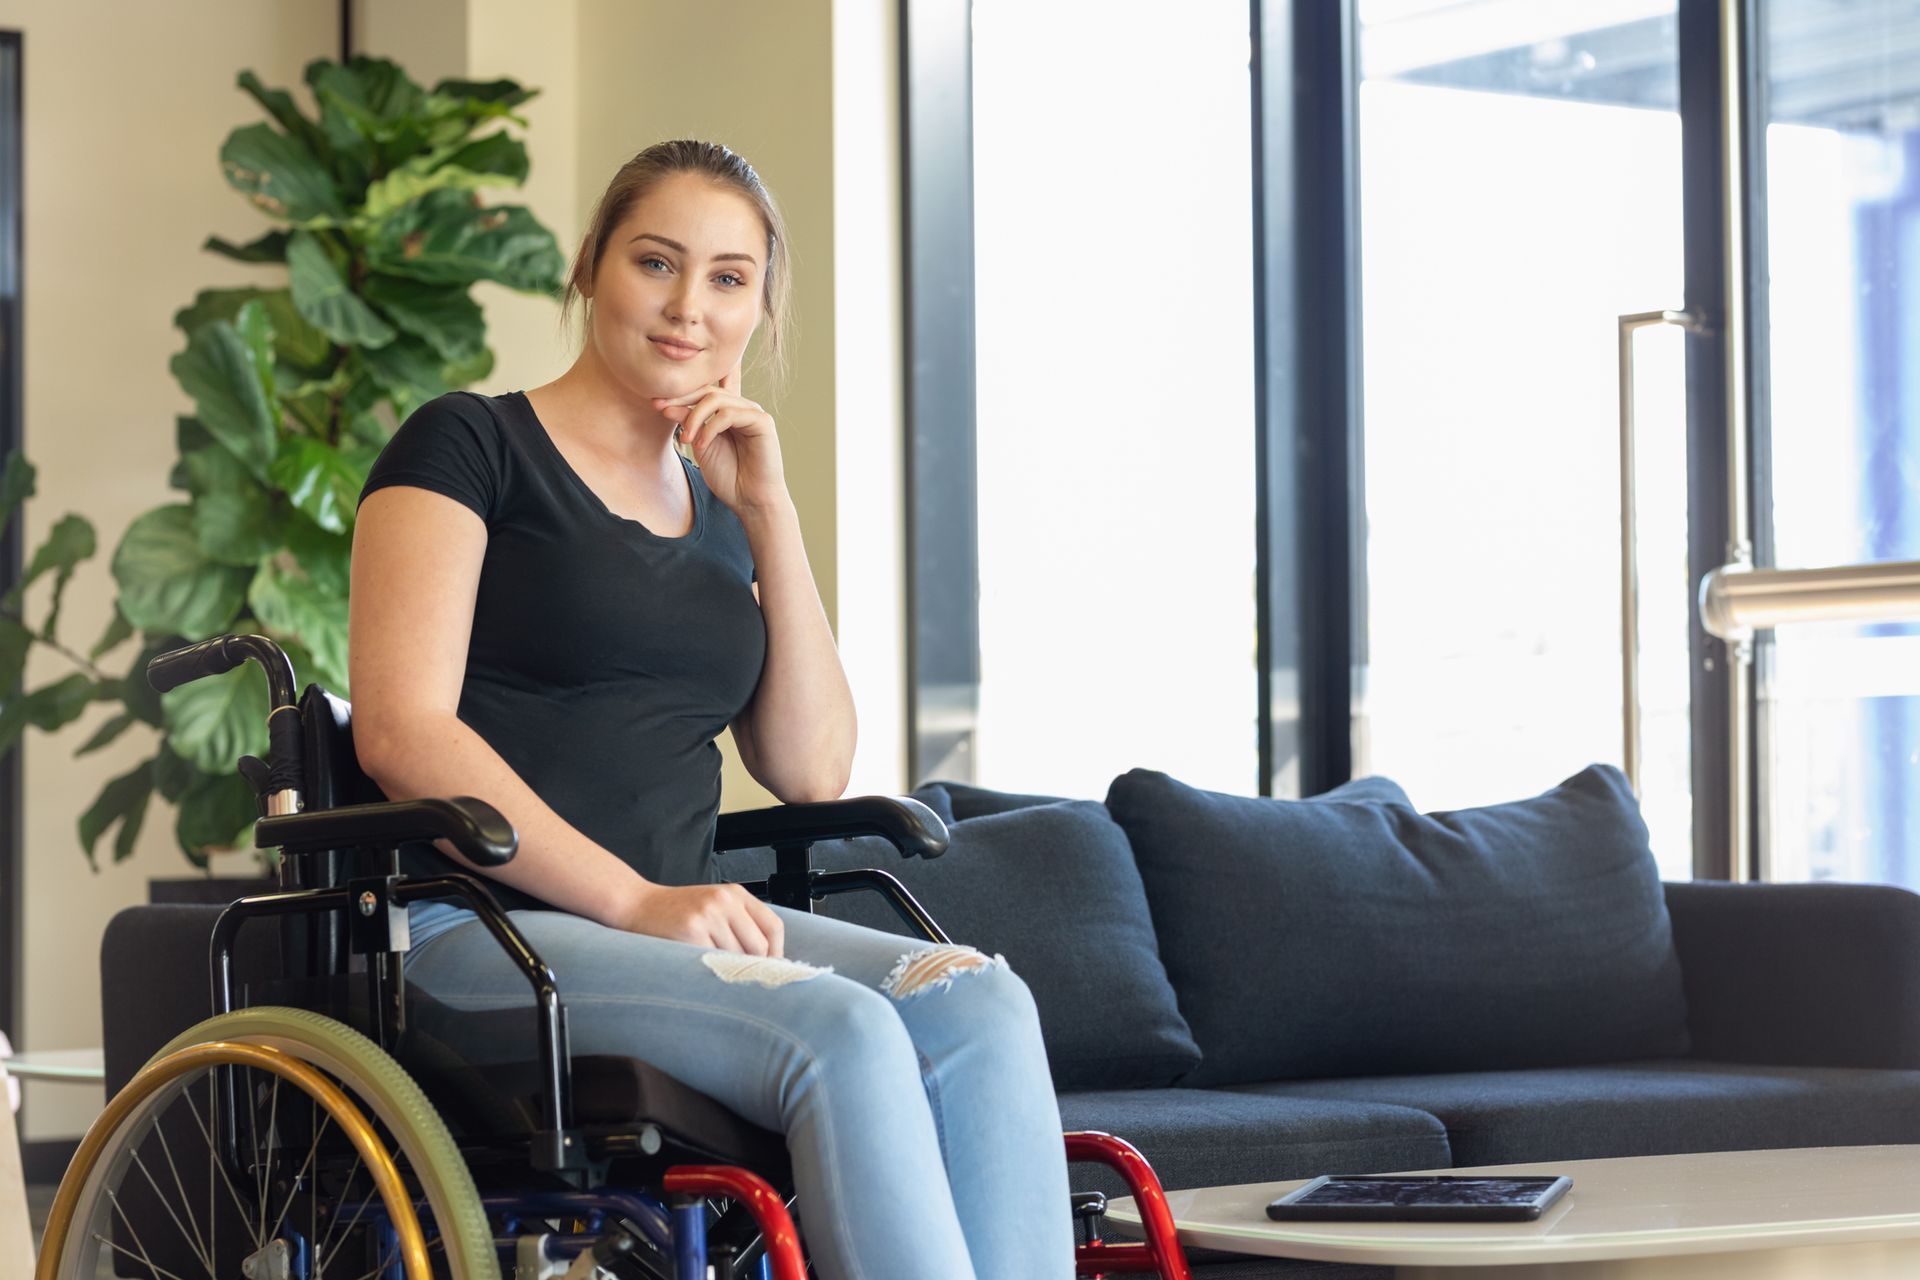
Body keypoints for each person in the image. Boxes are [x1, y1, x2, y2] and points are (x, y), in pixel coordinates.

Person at [348, 139, 1075, 1279]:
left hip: (687, 928)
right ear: (592, 267)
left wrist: (770, 509)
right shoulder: (469, 444)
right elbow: (402, 732)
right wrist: (634, 897)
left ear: (758, 307)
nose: (691, 307)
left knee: (981, 999)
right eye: (658, 262)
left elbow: (812, 765)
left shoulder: (725, 503)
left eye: (730, 278)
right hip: (476, 927)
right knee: (841, 1028)